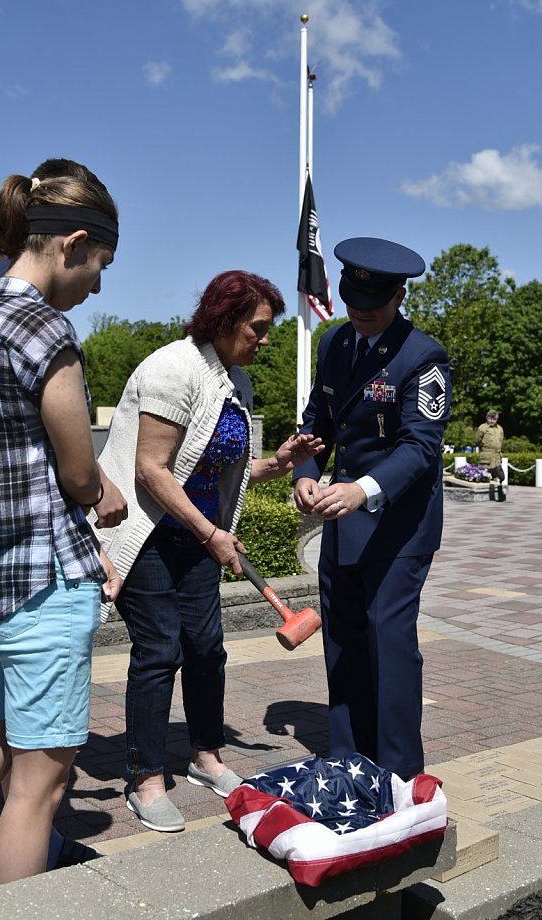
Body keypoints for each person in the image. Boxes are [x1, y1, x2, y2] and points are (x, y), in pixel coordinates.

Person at [0, 168, 128, 901]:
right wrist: (103, 493)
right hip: (38, 589)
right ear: (73, 243)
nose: (98, 287)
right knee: (37, 790)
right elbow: (80, 472)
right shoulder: (45, 328)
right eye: (100, 266)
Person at [96, 270, 323, 833]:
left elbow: (224, 468)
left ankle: (205, 757)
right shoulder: (174, 368)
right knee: (160, 650)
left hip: (196, 535)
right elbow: (151, 469)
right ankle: (145, 778)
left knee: (206, 648)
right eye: (259, 327)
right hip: (146, 532)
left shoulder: (235, 380)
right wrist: (211, 533)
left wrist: (279, 463)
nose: (266, 338)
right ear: (224, 320)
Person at [293, 237, 451, 781]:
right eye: (351, 301)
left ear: (399, 295)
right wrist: (305, 474)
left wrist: (362, 489)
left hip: (397, 527)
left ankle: (402, 774)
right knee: (343, 642)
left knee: (389, 642)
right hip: (342, 522)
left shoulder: (422, 356)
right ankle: (348, 758)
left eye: (371, 305)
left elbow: (419, 447)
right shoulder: (335, 344)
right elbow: (317, 425)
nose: (358, 313)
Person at [477, 410, 505, 502]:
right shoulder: (483, 428)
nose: (492, 421)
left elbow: (501, 440)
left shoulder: (500, 429)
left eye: (494, 419)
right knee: (484, 475)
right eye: (490, 418)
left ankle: (500, 495)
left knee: (500, 476)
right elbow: (478, 440)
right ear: (487, 418)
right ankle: (483, 496)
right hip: (486, 455)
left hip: (496, 456)